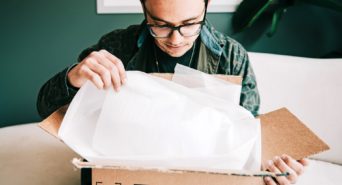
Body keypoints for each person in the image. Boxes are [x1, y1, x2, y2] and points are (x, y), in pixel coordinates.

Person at [37, 0, 308, 184]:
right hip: (124, 174)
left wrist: (271, 166)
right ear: (145, 10)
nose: (176, 39)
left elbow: (248, 133)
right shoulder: (117, 45)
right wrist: (73, 77)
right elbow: (47, 111)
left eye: (190, 24)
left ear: (206, 7)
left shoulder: (230, 56)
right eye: (161, 25)